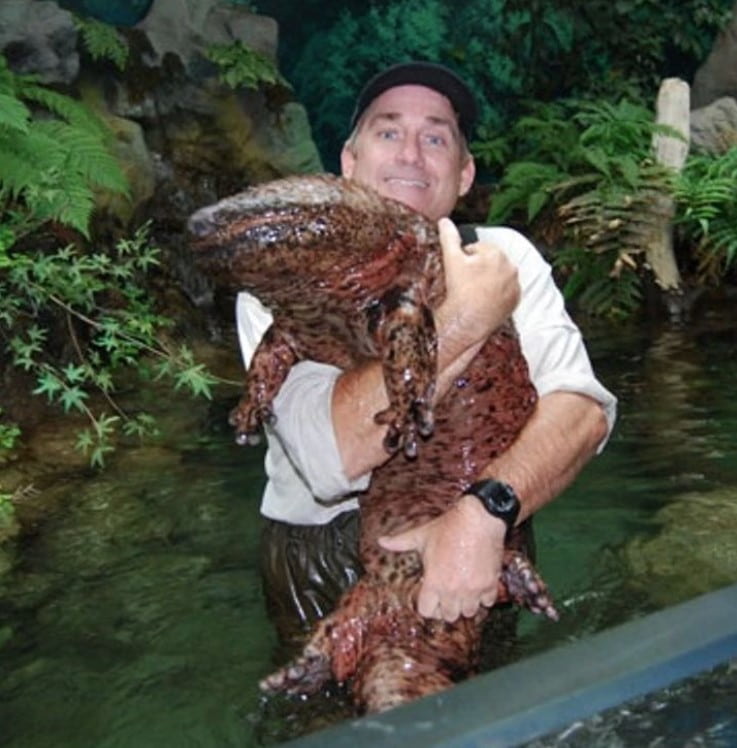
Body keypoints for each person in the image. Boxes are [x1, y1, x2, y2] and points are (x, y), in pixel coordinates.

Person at [236, 61, 617, 642]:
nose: (411, 154)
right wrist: (468, 318)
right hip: (327, 558)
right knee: (331, 726)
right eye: (388, 132)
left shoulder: (503, 254)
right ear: (348, 161)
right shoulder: (284, 279)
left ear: (463, 174)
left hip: (487, 533)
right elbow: (330, 455)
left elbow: (582, 412)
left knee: (491, 711)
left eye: (435, 137)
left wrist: (485, 513)